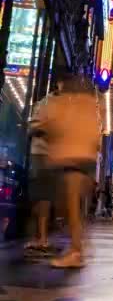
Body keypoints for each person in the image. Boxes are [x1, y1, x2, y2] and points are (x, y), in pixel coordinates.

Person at [34, 68, 100, 268]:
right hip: (84, 160)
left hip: (72, 160)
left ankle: (76, 251)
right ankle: (77, 247)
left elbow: (52, 126)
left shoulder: (68, 104)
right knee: (73, 208)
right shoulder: (89, 106)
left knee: (70, 206)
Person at [25, 93, 55, 256]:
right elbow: (32, 128)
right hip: (41, 155)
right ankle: (39, 237)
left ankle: (41, 238)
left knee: (42, 197)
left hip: (46, 156)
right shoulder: (44, 104)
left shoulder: (46, 104)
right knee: (40, 197)